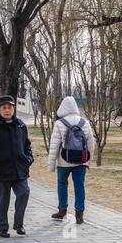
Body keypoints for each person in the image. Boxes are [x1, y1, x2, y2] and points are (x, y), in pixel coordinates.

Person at [0, 95, 34, 238]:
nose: (7, 110)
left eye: (9, 107)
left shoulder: (20, 125)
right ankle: (3, 228)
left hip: (20, 169)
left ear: (14, 109)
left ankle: (19, 225)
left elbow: (27, 145)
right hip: (1, 170)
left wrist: (28, 159)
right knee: (2, 201)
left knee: (24, 193)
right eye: (4, 108)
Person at [48, 96, 95, 225]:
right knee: (79, 186)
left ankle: (62, 210)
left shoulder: (59, 123)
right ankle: (79, 214)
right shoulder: (84, 122)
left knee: (62, 184)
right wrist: (88, 161)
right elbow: (91, 143)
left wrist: (51, 165)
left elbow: (54, 145)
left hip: (63, 162)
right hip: (80, 161)